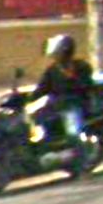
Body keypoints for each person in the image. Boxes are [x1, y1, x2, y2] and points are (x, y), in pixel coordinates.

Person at [31, 34, 94, 168]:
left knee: (73, 133)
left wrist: (72, 79)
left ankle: (81, 164)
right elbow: (42, 88)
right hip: (55, 105)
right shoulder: (52, 70)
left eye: (59, 53)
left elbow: (87, 85)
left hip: (75, 104)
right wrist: (27, 98)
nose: (56, 56)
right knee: (36, 121)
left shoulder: (81, 67)